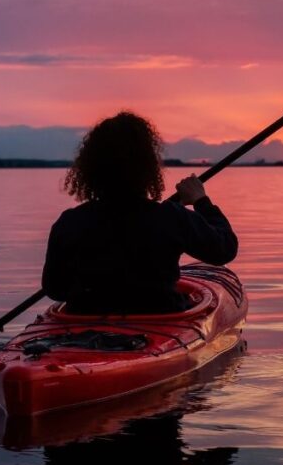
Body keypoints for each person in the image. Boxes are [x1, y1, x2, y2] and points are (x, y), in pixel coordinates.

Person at [41, 111, 238, 314]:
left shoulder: (70, 222)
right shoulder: (171, 217)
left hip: (84, 320)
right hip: (160, 317)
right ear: (147, 166)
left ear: (90, 168)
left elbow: (55, 288)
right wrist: (200, 201)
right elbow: (224, 250)